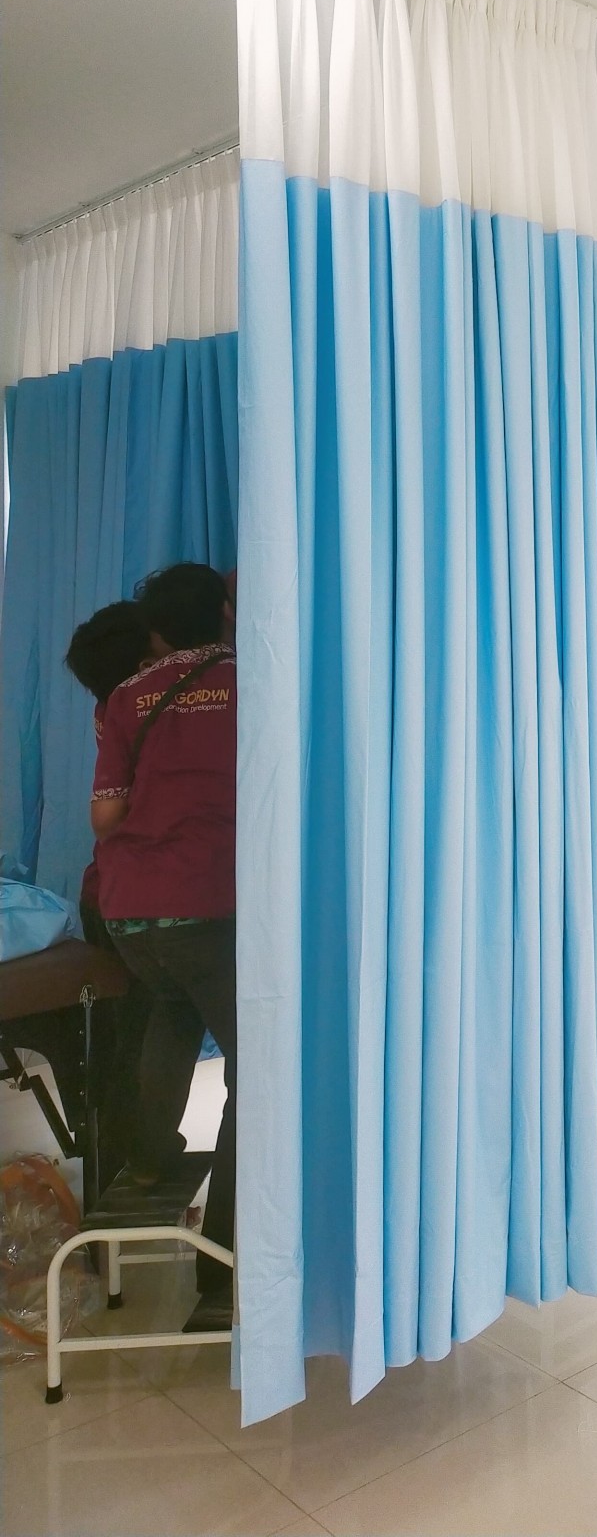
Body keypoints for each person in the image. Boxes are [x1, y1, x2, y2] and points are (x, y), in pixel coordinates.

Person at [91, 562, 237, 1331]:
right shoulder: (251, 682)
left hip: (128, 911)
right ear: (224, 613)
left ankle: (148, 1159)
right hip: (206, 902)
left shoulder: (127, 696)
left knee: (172, 1012)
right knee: (258, 1073)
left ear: (155, 632)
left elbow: (105, 817)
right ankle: (226, 1271)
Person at [62, 601, 155, 1189]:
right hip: (133, 902)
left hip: (107, 894)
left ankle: (125, 1157)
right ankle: (131, 1157)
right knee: (140, 1037)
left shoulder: (113, 707)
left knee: (131, 1037)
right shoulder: (145, 712)